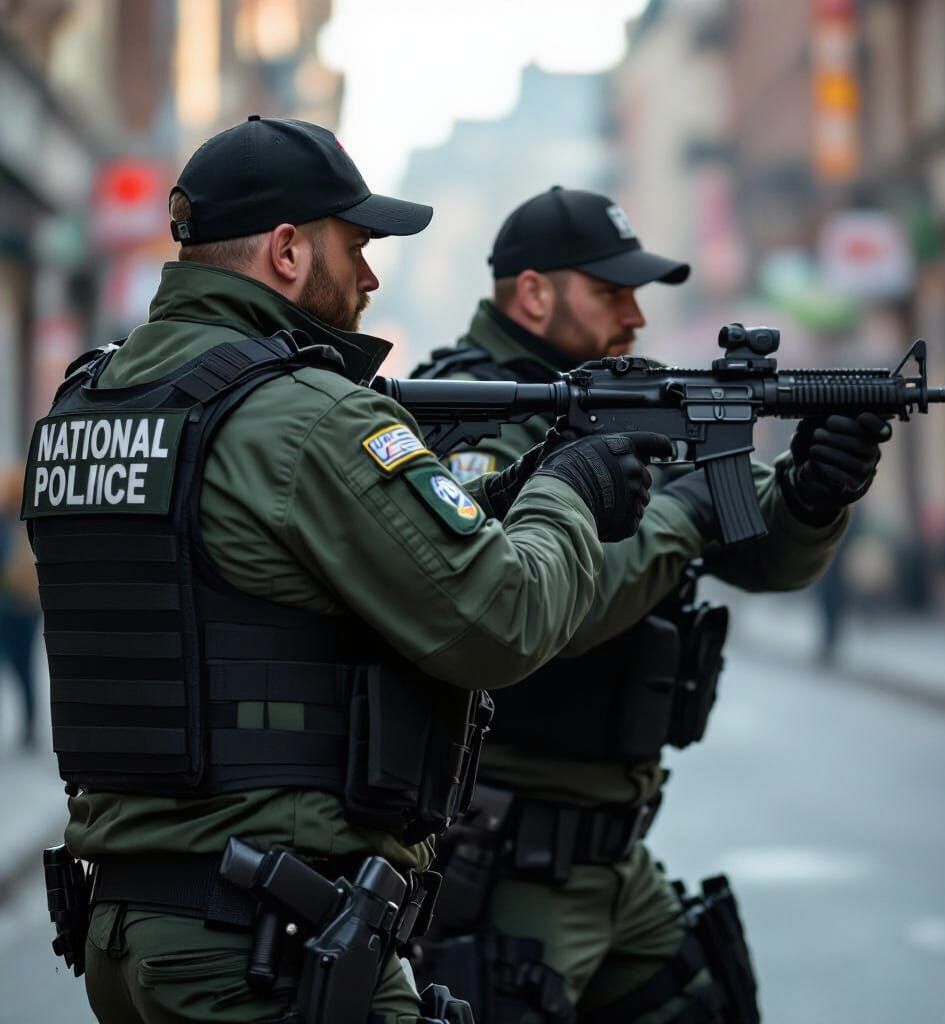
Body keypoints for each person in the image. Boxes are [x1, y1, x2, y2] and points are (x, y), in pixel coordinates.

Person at [22, 124, 670, 1024]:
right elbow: (502, 617)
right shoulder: (305, 416)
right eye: (355, 246)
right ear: (288, 251)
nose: (368, 277)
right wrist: (570, 488)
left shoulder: (88, 405)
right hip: (262, 941)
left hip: (127, 932)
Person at [410, 187, 894, 1023]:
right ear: (533, 293)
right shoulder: (469, 418)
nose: (635, 314)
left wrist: (816, 494)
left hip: (613, 851)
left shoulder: (629, 396)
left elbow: (760, 545)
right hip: (508, 848)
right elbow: (541, 607)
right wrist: (683, 513)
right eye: (610, 292)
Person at [0, 463, 40, 751]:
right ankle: (29, 723)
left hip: (12, 604)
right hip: (26, 605)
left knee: (16, 665)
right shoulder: (31, 521)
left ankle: (28, 724)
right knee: (23, 666)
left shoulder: (7, 524)